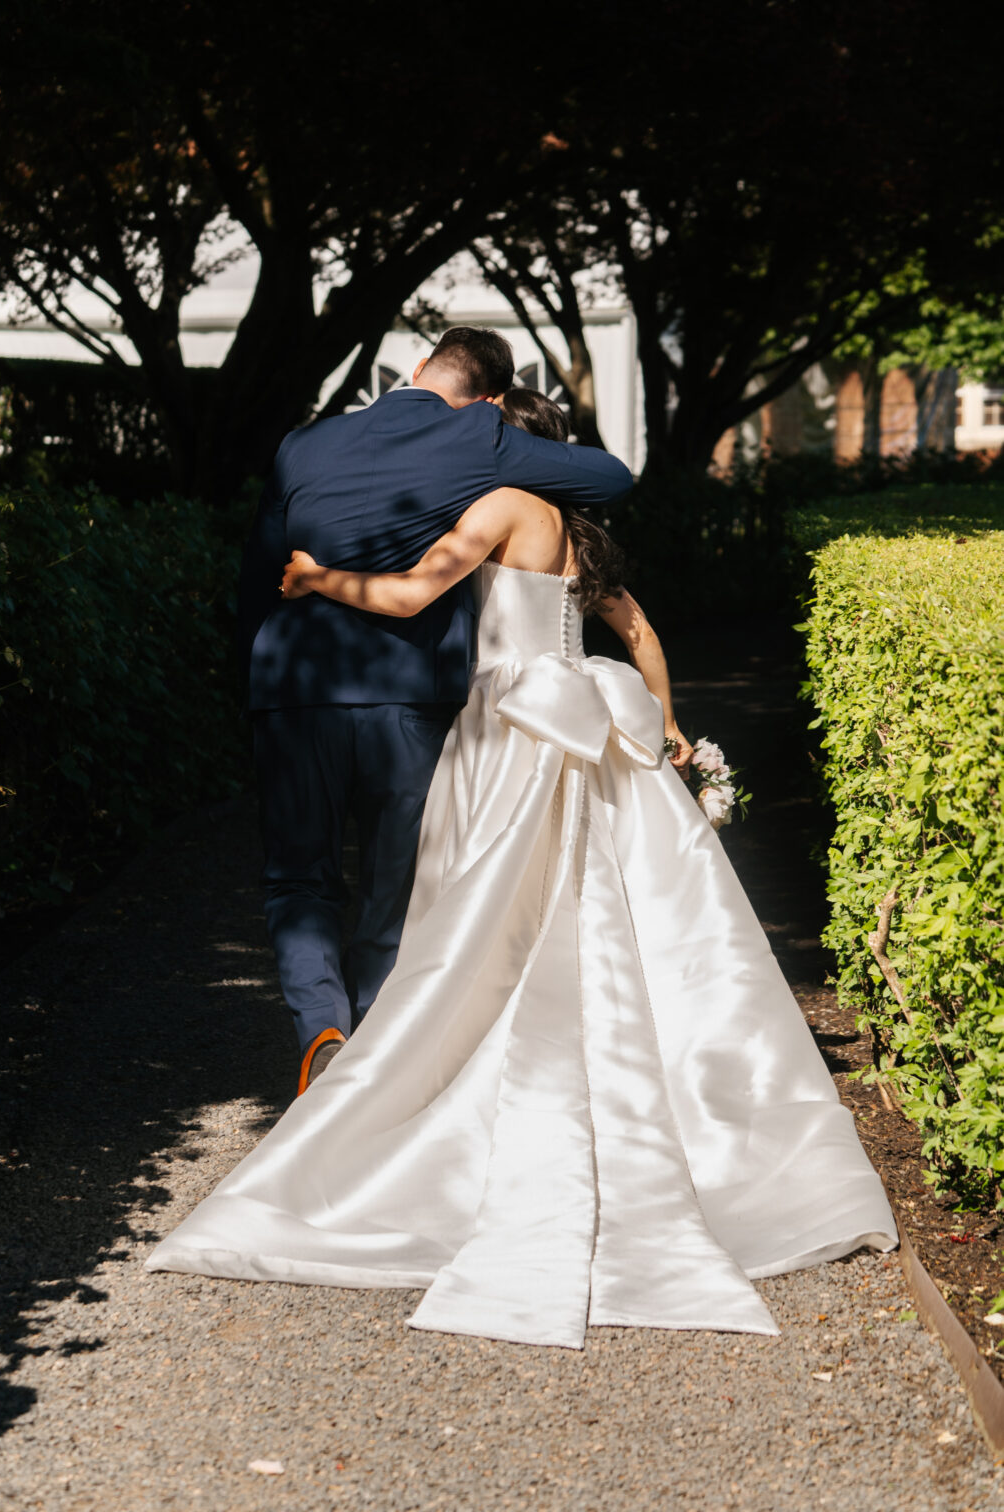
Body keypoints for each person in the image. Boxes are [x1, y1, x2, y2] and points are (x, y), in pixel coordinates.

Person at [147, 390, 897, 1349]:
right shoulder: (584, 538)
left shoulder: (499, 508)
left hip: (510, 721)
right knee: (607, 900)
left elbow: (416, 591)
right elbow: (639, 632)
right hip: (584, 704)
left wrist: (315, 576)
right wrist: (665, 721)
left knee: (489, 902)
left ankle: (444, 1055)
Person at [236, 329, 632, 1095]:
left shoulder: (304, 444)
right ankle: (375, 1044)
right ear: (488, 396)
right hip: (406, 693)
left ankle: (321, 1024)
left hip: (292, 685)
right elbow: (612, 478)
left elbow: (261, 572)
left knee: (297, 876)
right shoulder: (481, 435)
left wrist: (252, 682)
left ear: (417, 371)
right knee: (398, 876)